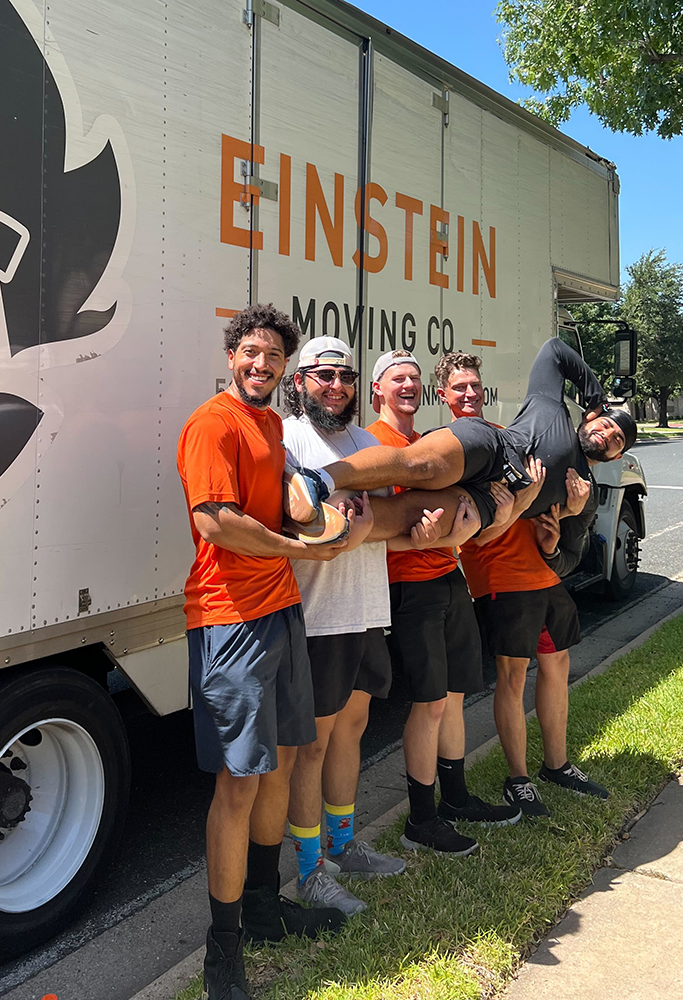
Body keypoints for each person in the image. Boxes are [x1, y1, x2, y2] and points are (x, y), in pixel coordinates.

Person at [176, 305, 352, 1000]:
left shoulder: (271, 423)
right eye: (252, 352)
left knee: (279, 765)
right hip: (229, 621)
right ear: (231, 357)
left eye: (274, 356)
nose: (262, 365)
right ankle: (223, 950)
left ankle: (263, 907)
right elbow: (214, 522)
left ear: (286, 368)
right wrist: (300, 547)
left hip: (280, 611)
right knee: (238, 783)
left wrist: (314, 511)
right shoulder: (210, 424)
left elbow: (282, 497)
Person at [281, 337, 431, 916]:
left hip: (367, 608)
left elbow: (388, 519)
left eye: (344, 376)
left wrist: (410, 527)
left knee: (353, 729)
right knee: (312, 747)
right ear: (300, 382)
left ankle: (343, 848)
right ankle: (310, 870)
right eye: (323, 376)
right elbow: (285, 520)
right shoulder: (289, 439)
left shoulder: (368, 443)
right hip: (316, 614)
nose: (336, 386)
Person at [436, 351, 610, 817]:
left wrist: (567, 515)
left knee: (558, 666)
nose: (469, 393)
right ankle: (519, 780)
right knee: (512, 678)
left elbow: (544, 509)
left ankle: (557, 764)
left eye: (474, 385)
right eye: (459, 388)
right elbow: (472, 530)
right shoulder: (452, 448)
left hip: (542, 572)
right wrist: (522, 501)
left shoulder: (505, 436)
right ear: (444, 396)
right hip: (501, 577)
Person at [368, 350, 522, 857]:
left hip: (449, 579)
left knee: (455, 694)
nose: (407, 385)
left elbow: (464, 529)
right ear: (378, 391)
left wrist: (503, 513)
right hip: (409, 588)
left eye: (413, 377)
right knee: (430, 703)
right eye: (398, 379)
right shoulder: (376, 446)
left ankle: (456, 799)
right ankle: (422, 818)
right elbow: (372, 531)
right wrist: (424, 542)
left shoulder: (432, 444)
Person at [284, 338, 637, 534]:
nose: (607, 434)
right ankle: (319, 481)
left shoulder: (584, 494)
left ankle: (327, 522)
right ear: (594, 418)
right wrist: (595, 397)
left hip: (493, 502)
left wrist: (564, 516)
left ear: (617, 455)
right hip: (493, 449)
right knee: (419, 465)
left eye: (617, 439)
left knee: (415, 517)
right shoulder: (552, 407)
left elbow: (567, 556)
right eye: (607, 423)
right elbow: (554, 351)